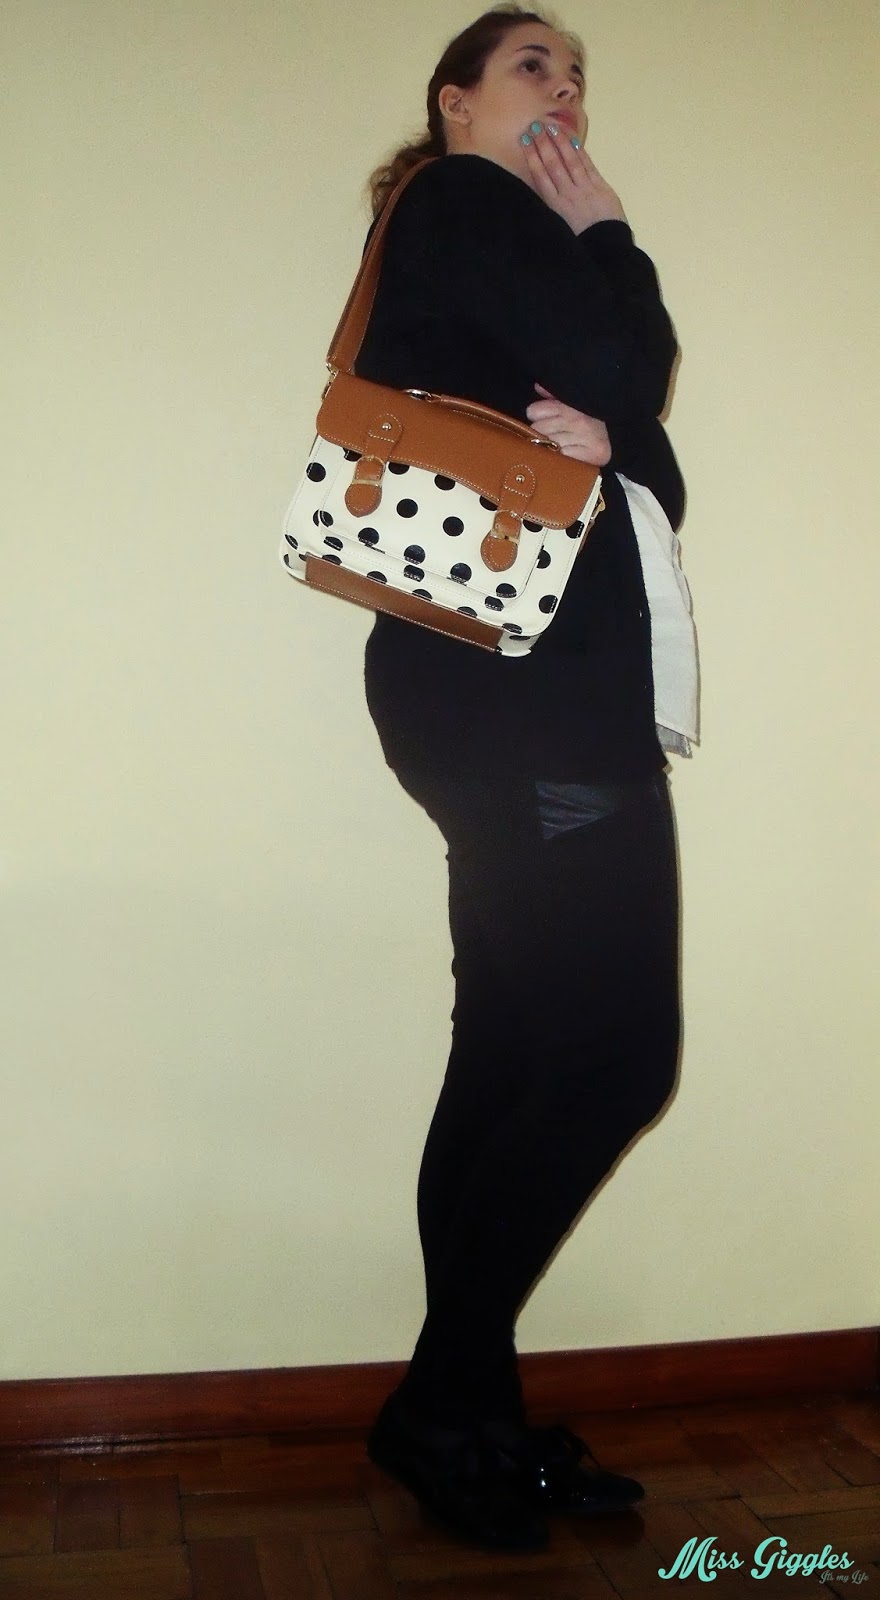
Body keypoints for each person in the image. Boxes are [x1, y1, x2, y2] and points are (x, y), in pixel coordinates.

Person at [351, 3, 691, 1553]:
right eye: (533, 66)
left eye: (579, 74)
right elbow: (634, 368)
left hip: (494, 688)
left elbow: (654, 465)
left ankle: (469, 1414)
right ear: (457, 103)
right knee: (613, 1059)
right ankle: (443, 1406)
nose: (565, 90)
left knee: (513, 1055)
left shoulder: (476, 244)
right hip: (532, 699)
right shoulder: (472, 203)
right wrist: (606, 229)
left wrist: (617, 427)